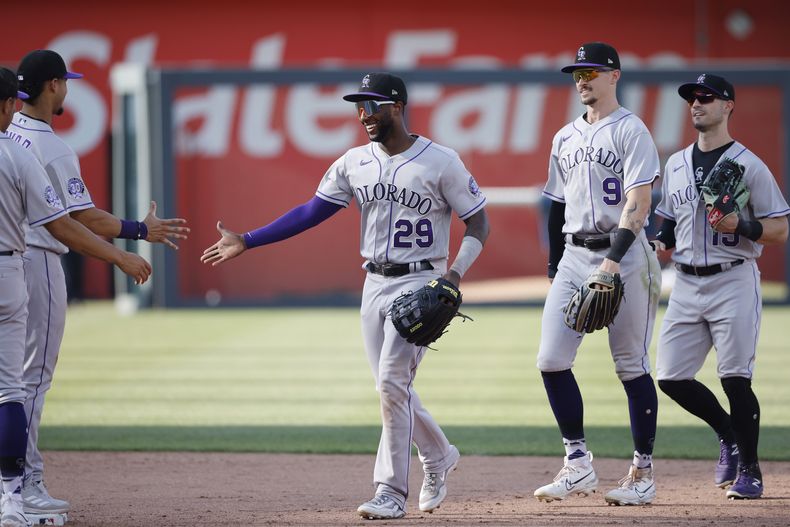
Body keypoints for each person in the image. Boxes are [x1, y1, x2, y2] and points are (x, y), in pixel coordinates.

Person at [202, 72, 490, 520]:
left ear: (396, 106)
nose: (363, 115)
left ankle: (390, 491)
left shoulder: (441, 161)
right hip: (373, 283)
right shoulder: (354, 161)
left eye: (372, 105)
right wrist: (248, 238)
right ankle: (439, 455)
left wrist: (453, 275)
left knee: (393, 382)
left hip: (421, 280)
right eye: (358, 106)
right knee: (389, 387)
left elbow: (479, 222)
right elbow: (311, 211)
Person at [9, 49, 190, 517]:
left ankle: (15, 480)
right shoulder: (50, 145)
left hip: (10, 259)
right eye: (64, 81)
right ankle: (25, 483)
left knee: (9, 381)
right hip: (36, 263)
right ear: (52, 86)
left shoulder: (9, 136)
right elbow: (79, 217)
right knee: (31, 380)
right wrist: (137, 232)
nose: (67, 88)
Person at [535, 42, 662, 506]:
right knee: (550, 359)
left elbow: (640, 202)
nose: (582, 79)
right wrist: (554, 267)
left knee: (630, 365)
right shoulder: (564, 137)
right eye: (576, 73)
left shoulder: (632, 130)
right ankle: (577, 463)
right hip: (574, 254)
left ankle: (642, 472)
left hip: (625, 255)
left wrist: (612, 261)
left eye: (591, 71)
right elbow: (556, 203)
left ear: (614, 75)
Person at [653, 74, 789, 500]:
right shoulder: (675, 163)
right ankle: (727, 434)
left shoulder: (750, 164)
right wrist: (657, 242)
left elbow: (780, 228)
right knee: (671, 377)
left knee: (734, 378)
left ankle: (751, 471)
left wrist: (742, 225)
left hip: (733, 278)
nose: (696, 104)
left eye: (706, 97)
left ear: (728, 105)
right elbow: (670, 222)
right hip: (687, 283)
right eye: (692, 98)